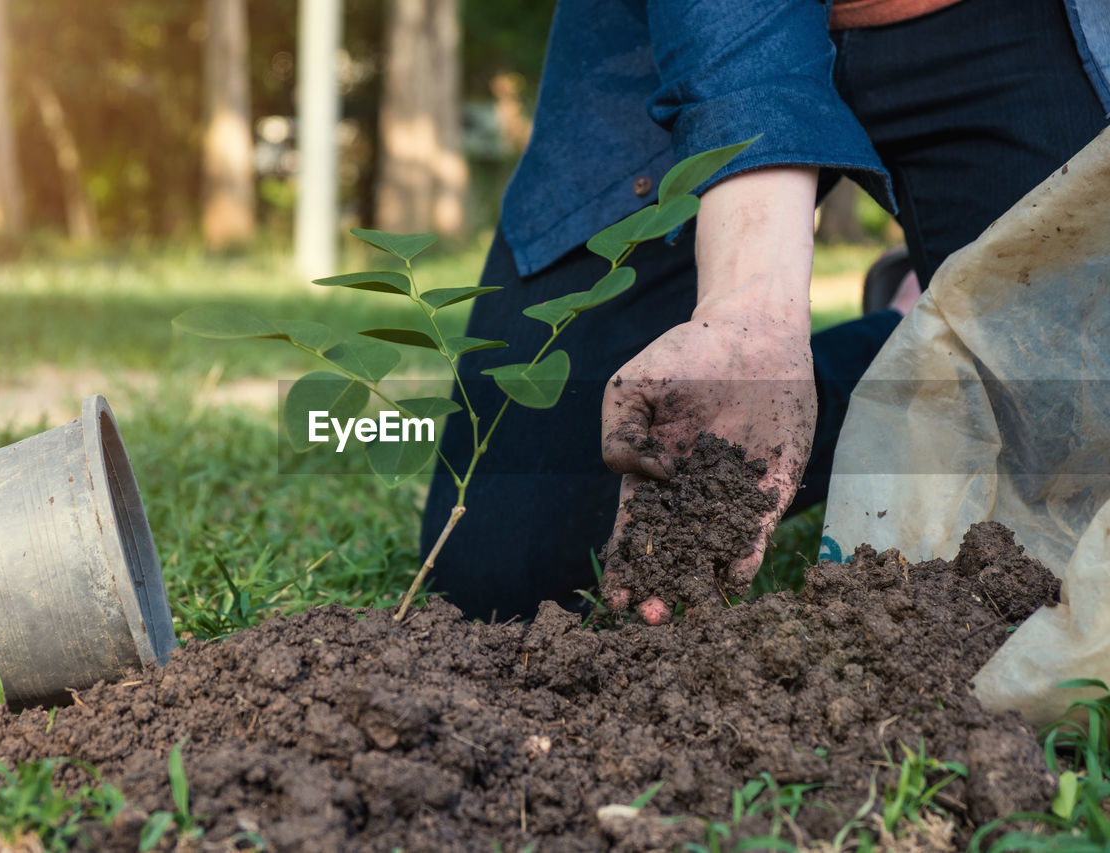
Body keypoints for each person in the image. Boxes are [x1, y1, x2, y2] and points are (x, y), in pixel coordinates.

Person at [421, 0, 1110, 623]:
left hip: (1017, 25)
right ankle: (902, 337)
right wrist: (753, 318)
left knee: (1077, 512)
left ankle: (937, 335)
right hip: (693, 28)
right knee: (505, 578)